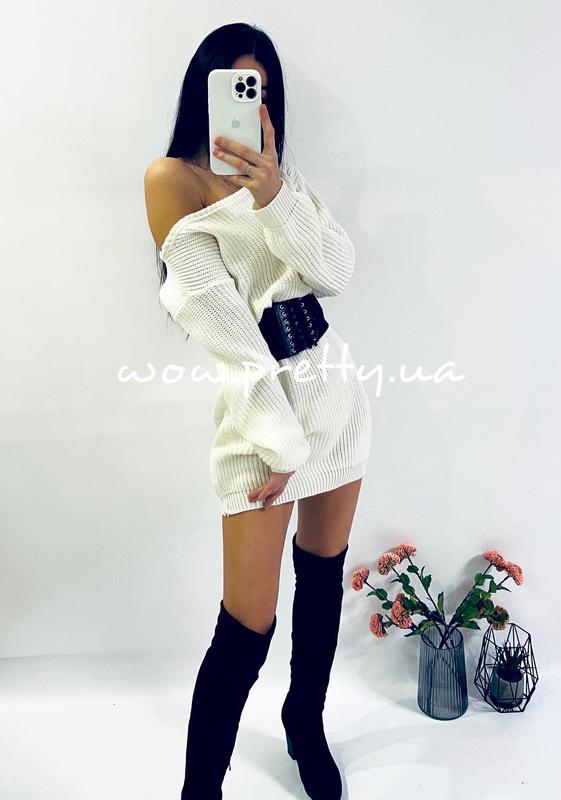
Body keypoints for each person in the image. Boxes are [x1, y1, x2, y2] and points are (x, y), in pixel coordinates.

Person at [144, 22, 371, 800]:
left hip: (335, 393)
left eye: (264, 91)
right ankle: (199, 789)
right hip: (262, 417)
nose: (254, 104)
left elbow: (336, 270)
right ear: (204, 91)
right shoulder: (172, 178)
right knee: (247, 626)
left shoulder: (281, 177)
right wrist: (279, 442)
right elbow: (226, 331)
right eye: (239, 88)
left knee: (322, 578)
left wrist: (275, 194)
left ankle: (305, 722)